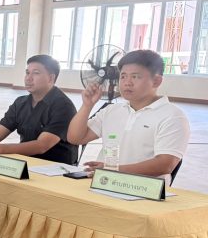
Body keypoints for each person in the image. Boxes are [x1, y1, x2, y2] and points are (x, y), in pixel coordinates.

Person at [67, 49, 189, 182]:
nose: (127, 82)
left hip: (143, 191)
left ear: (156, 81)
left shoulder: (172, 116)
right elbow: (75, 138)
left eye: (135, 77)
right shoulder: (112, 110)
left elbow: (165, 165)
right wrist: (87, 105)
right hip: (104, 183)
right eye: (123, 76)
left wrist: (112, 169)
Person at [0, 54, 78, 164]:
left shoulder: (63, 106)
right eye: (27, 73)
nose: (28, 78)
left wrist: (2, 148)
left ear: (51, 78)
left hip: (55, 167)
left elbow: (42, 145)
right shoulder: (20, 103)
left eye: (36, 73)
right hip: (25, 161)